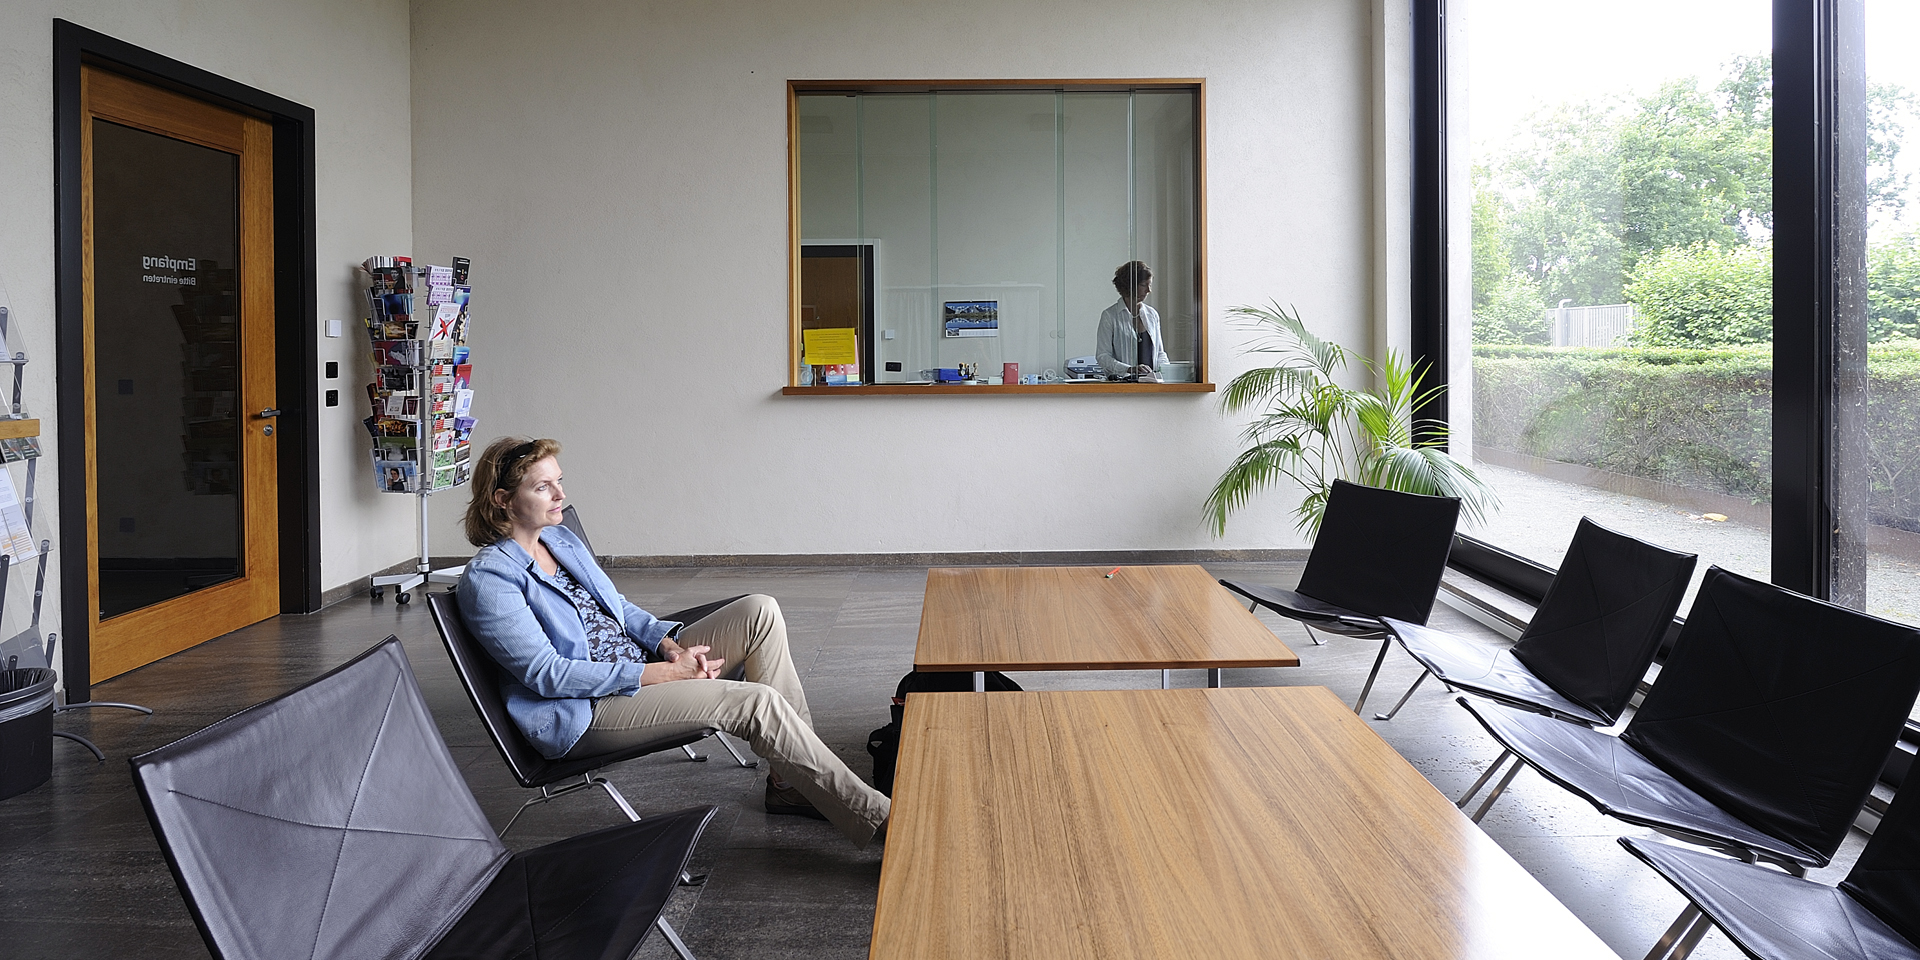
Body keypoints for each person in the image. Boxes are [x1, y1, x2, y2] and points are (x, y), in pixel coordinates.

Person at [456, 436, 889, 848]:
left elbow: (619, 609)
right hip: (587, 710)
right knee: (754, 703)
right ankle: (878, 818)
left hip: (641, 665)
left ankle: (793, 785)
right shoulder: (492, 579)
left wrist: (669, 647)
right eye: (542, 486)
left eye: (559, 481)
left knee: (759, 609)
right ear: (502, 499)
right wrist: (661, 674)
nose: (558, 495)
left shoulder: (559, 539)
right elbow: (547, 675)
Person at [1095, 260, 1169, 379]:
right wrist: (1128, 369)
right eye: (1144, 285)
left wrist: (1167, 374)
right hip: (1123, 384)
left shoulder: (1152, 314)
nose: (1149, 290)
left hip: (1152, 384)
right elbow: (1103, 356)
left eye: (1150, 285)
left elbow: (1160, 353)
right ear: (1130, 286)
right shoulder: (1110, 316)